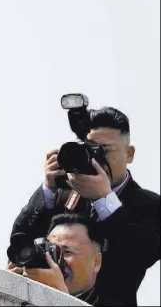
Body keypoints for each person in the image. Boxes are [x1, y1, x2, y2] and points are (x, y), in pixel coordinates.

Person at [10, 107, 160, 305]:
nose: (96, 158)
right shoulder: (64, 193)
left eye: (105, 151)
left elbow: (140, 254)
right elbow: (20, 241)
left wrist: (104, 199)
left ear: (129, 154)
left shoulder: (149, 204)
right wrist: (47, 190)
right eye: (90, 150)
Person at [7, 213, 104, 305]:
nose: (55, 261)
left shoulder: (114, 299)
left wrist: (59, 296)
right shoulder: (30, 294)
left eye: (67, 252)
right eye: (51, 250)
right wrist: (9, 290)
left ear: (96, 262)